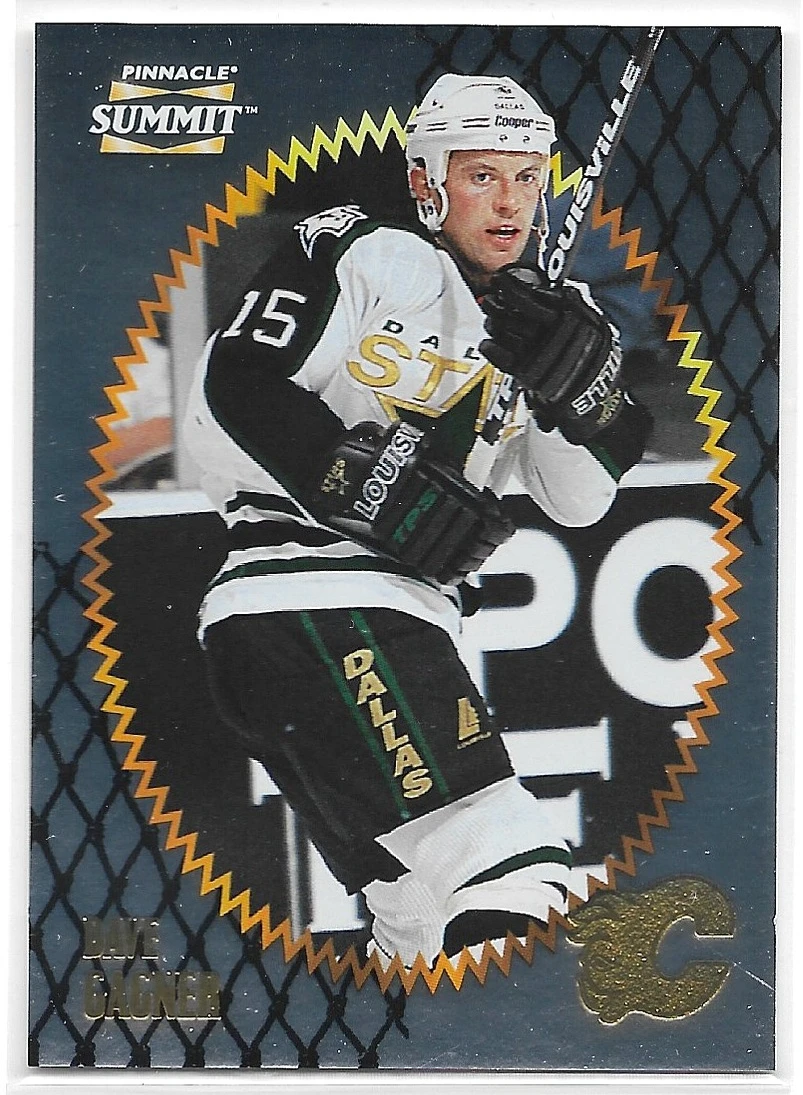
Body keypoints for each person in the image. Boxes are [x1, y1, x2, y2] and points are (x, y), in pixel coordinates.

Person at [183, 73, 652, 971]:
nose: (509, 202)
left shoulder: (560, 316)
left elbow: (578, 498)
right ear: (425, 182)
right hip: (318, 598)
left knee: (417, 918)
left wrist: (576, 392)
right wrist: (370, 489)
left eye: (526, 178)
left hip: (332, 628)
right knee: (512, 869)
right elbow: (237, 382)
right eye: (481, 176)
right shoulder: (368, 250)